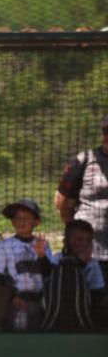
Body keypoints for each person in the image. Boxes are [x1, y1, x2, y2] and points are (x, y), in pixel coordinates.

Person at [54, 112, 108, 278]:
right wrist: (76, 231)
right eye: (106, 132)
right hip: (86, 254)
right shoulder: (85, 160)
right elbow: (61, 201)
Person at [0, 199, 52, 332]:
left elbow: (49, 273)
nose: (21, 222)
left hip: (40, 302)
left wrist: (42, 256)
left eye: (26, 218)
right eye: (17, 218)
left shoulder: (43, 244)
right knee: (17, 338)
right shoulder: (5, 246)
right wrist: (10, 297)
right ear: (12, 222)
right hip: (17, 302)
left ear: (36, 221)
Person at [44, 219, 107, 331]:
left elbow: (97, 293)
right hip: (56, 313)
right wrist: (80, 263)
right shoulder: (57, 258)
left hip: (82, 314)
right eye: (79, 239)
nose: (83, 243)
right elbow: (55, 279)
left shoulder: (92, 264)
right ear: (67, 239)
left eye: (88, 240)